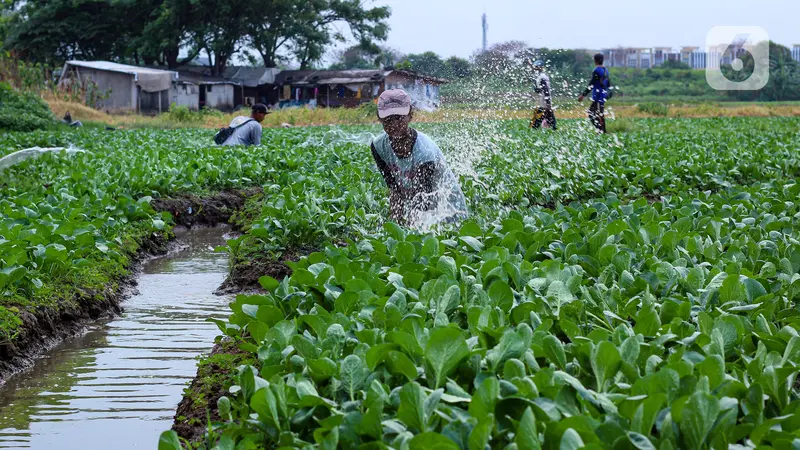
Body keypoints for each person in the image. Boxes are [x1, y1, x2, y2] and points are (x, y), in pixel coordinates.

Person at [370, 89, 468, 227]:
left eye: (399, 118)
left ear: (410, 115)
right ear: (380, 119)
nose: (393, 124)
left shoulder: (425, 151)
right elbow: (394, 189)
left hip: (447, 210)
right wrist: (394, 224)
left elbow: (424, 200)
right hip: (419, 204)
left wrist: (409, 228)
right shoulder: (378, 147)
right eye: (388, 120)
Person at [578, 53, 612, 133]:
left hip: (598, 96)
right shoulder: (606, 71)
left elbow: (591, 84)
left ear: (595, 61)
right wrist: (607, 95)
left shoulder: (596, 70)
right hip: (603, 95)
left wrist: (583, 95)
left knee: (592, 113)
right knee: (599, 114)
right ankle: (602, 131)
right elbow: (609, 85)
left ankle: (601, 130)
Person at [530, 60, 557, 130]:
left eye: (537, 67)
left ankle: (534, 128)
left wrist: (548, 103)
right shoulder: (539, 76)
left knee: (539, 116)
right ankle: (553, 128)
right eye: (535, 67)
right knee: (549, 116)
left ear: (541, 68)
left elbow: (546, 90)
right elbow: (539, 90)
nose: (535, 69)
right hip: (543, 100)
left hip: (544, 100)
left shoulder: (542, 77)